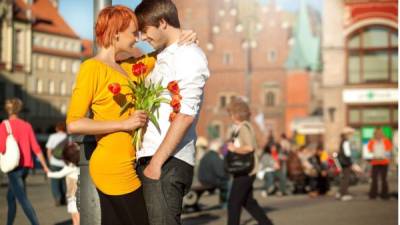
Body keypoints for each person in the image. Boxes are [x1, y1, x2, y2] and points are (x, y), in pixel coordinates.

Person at [66, 5, 197, 225]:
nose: (138, 38)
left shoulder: (127, 67)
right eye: (133, 32)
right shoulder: (92, 68)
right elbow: (74, 123)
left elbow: (165, 49)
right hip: (113, 166)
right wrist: (124, 124)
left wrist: (185, 35)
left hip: (126, 162)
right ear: (116, 32)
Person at [133, 1, 210, 225]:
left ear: (163, 22)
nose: (142, 38)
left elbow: (186, 113)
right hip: (153, 159)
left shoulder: (189, 55)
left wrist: (156, 163)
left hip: (167, 161)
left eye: (145, 30)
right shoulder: (161, 57)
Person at [0, 98, 50, 225]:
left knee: (22, 199)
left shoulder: (4, 125)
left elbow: (1, 147)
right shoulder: (27, 125)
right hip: (26, 167)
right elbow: (36, 148)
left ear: (7, 110)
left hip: (13, 168)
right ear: (19, 110)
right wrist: (45, 166)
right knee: (10, 197)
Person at [226, 97, 274, 225]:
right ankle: (266, 223)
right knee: (248, 202)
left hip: (245, 171)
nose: (229, 116)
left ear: (236, 114)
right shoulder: (242, 128)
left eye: (230, 113)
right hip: (247, 171)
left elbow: (250, 147)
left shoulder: (243, 128)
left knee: (233, 203)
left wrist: (234, 149)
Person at [47, 142, 80, 225]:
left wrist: (48, 173)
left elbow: (59, 174)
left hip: (72, 197)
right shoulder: (79, 166)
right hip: (79, 195)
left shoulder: (69, 167)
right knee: (78, 217)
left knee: (75, 218)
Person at [198, 139, 229, 207]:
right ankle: (225, 203)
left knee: (225, 181)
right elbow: (220, 173)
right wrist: (228, 176)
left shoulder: (207, 155)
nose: (221, 149)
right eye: (220, 148)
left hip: (202, 179)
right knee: (228, 183)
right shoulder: (215, 156)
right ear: (217, 148)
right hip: (211, 181)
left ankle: (224, 202)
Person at [46, 122, 67, 206]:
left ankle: (57, 198)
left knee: (55, 181)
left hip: (54, 162)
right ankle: (64, 198)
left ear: (57, 129)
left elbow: (49, 150)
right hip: (65, 163)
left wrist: (50, 160)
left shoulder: (52, 137)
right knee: (64, 181)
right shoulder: (67, 137)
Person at [367, 128, 393, 200]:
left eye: (380, 134)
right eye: (377, 134)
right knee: (374, 179)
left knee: (384, 179)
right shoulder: (372, 142)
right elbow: (369, 151)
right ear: (375, 135)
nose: (378, 135)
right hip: (375, 162)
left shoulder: (386, 141)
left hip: (384, 162)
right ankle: (373, 194)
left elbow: (389, 151)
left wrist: (388, 159)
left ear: (382, 134)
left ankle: (384, 194)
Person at [336, 127, 355, 201]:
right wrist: (351, 162)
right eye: (350, 134)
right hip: (346, 162)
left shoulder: (342, 141)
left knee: (343, 178)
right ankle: (344, 194)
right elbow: (347, 154)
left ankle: (340, 192)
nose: (351, 135)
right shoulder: (346, 141)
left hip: (342, 162)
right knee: (346, 178)